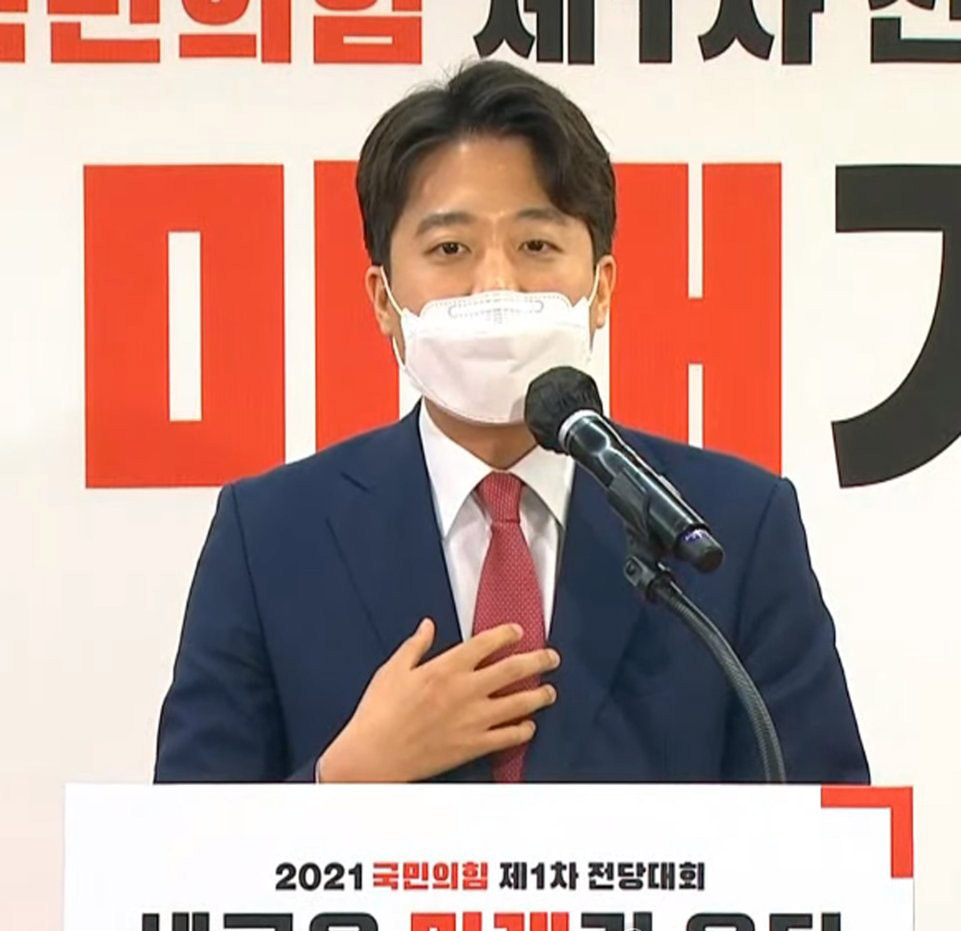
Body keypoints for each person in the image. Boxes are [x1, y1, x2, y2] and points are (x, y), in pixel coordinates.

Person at [154, 60, 868, 785]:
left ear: (601, 289)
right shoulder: (270, 534)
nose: (495, 284)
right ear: (382, 300)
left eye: (536, 246)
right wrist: (344, 777)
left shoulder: (730, 529)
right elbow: (179, 839)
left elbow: (830, 825)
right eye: (449, 249)